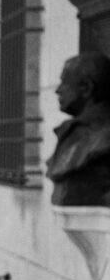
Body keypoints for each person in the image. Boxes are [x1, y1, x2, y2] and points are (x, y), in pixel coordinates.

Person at [46, 51, 110, 207]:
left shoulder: (103, 137)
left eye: (64, 82)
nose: (58, 90)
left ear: (86, 88)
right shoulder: (72, 131)